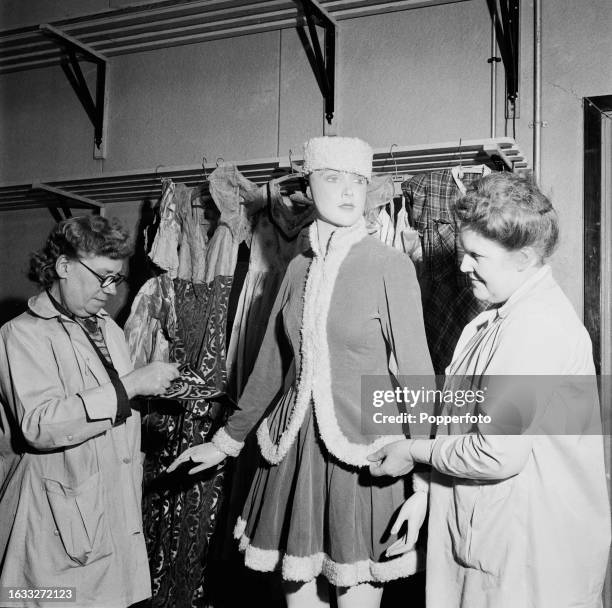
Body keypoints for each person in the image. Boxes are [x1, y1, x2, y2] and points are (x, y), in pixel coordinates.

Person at [168, 136, 434, 608]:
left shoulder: (389, 264)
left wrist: (423, 476)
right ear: (309, 186)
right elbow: (271, 366)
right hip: (293, 449)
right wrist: (226, 439)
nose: (349, 191)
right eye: (333, 178)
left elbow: (417, 374)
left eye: (358, 180)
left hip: (365, 454)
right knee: (298, 598)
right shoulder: (294, 269)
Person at [368, 173, 611, 608]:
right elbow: (459, 424)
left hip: (529, 564)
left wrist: (412, 453)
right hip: (503, 547)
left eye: (476, 255)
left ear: (523, 257)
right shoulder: (500, 320)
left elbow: (495, 452)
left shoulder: (535, 328)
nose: (462, 265)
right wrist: (424, 495)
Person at [0, 216, 179, 608]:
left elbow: (112, 408)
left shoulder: (108, 330)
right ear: (63, 266)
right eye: (102, 277)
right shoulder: (20, 335)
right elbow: (40, 424)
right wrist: (132, 385)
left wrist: (154, 405)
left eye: (116, 279)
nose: (110, 292)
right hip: (53, 532)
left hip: (109, 518)